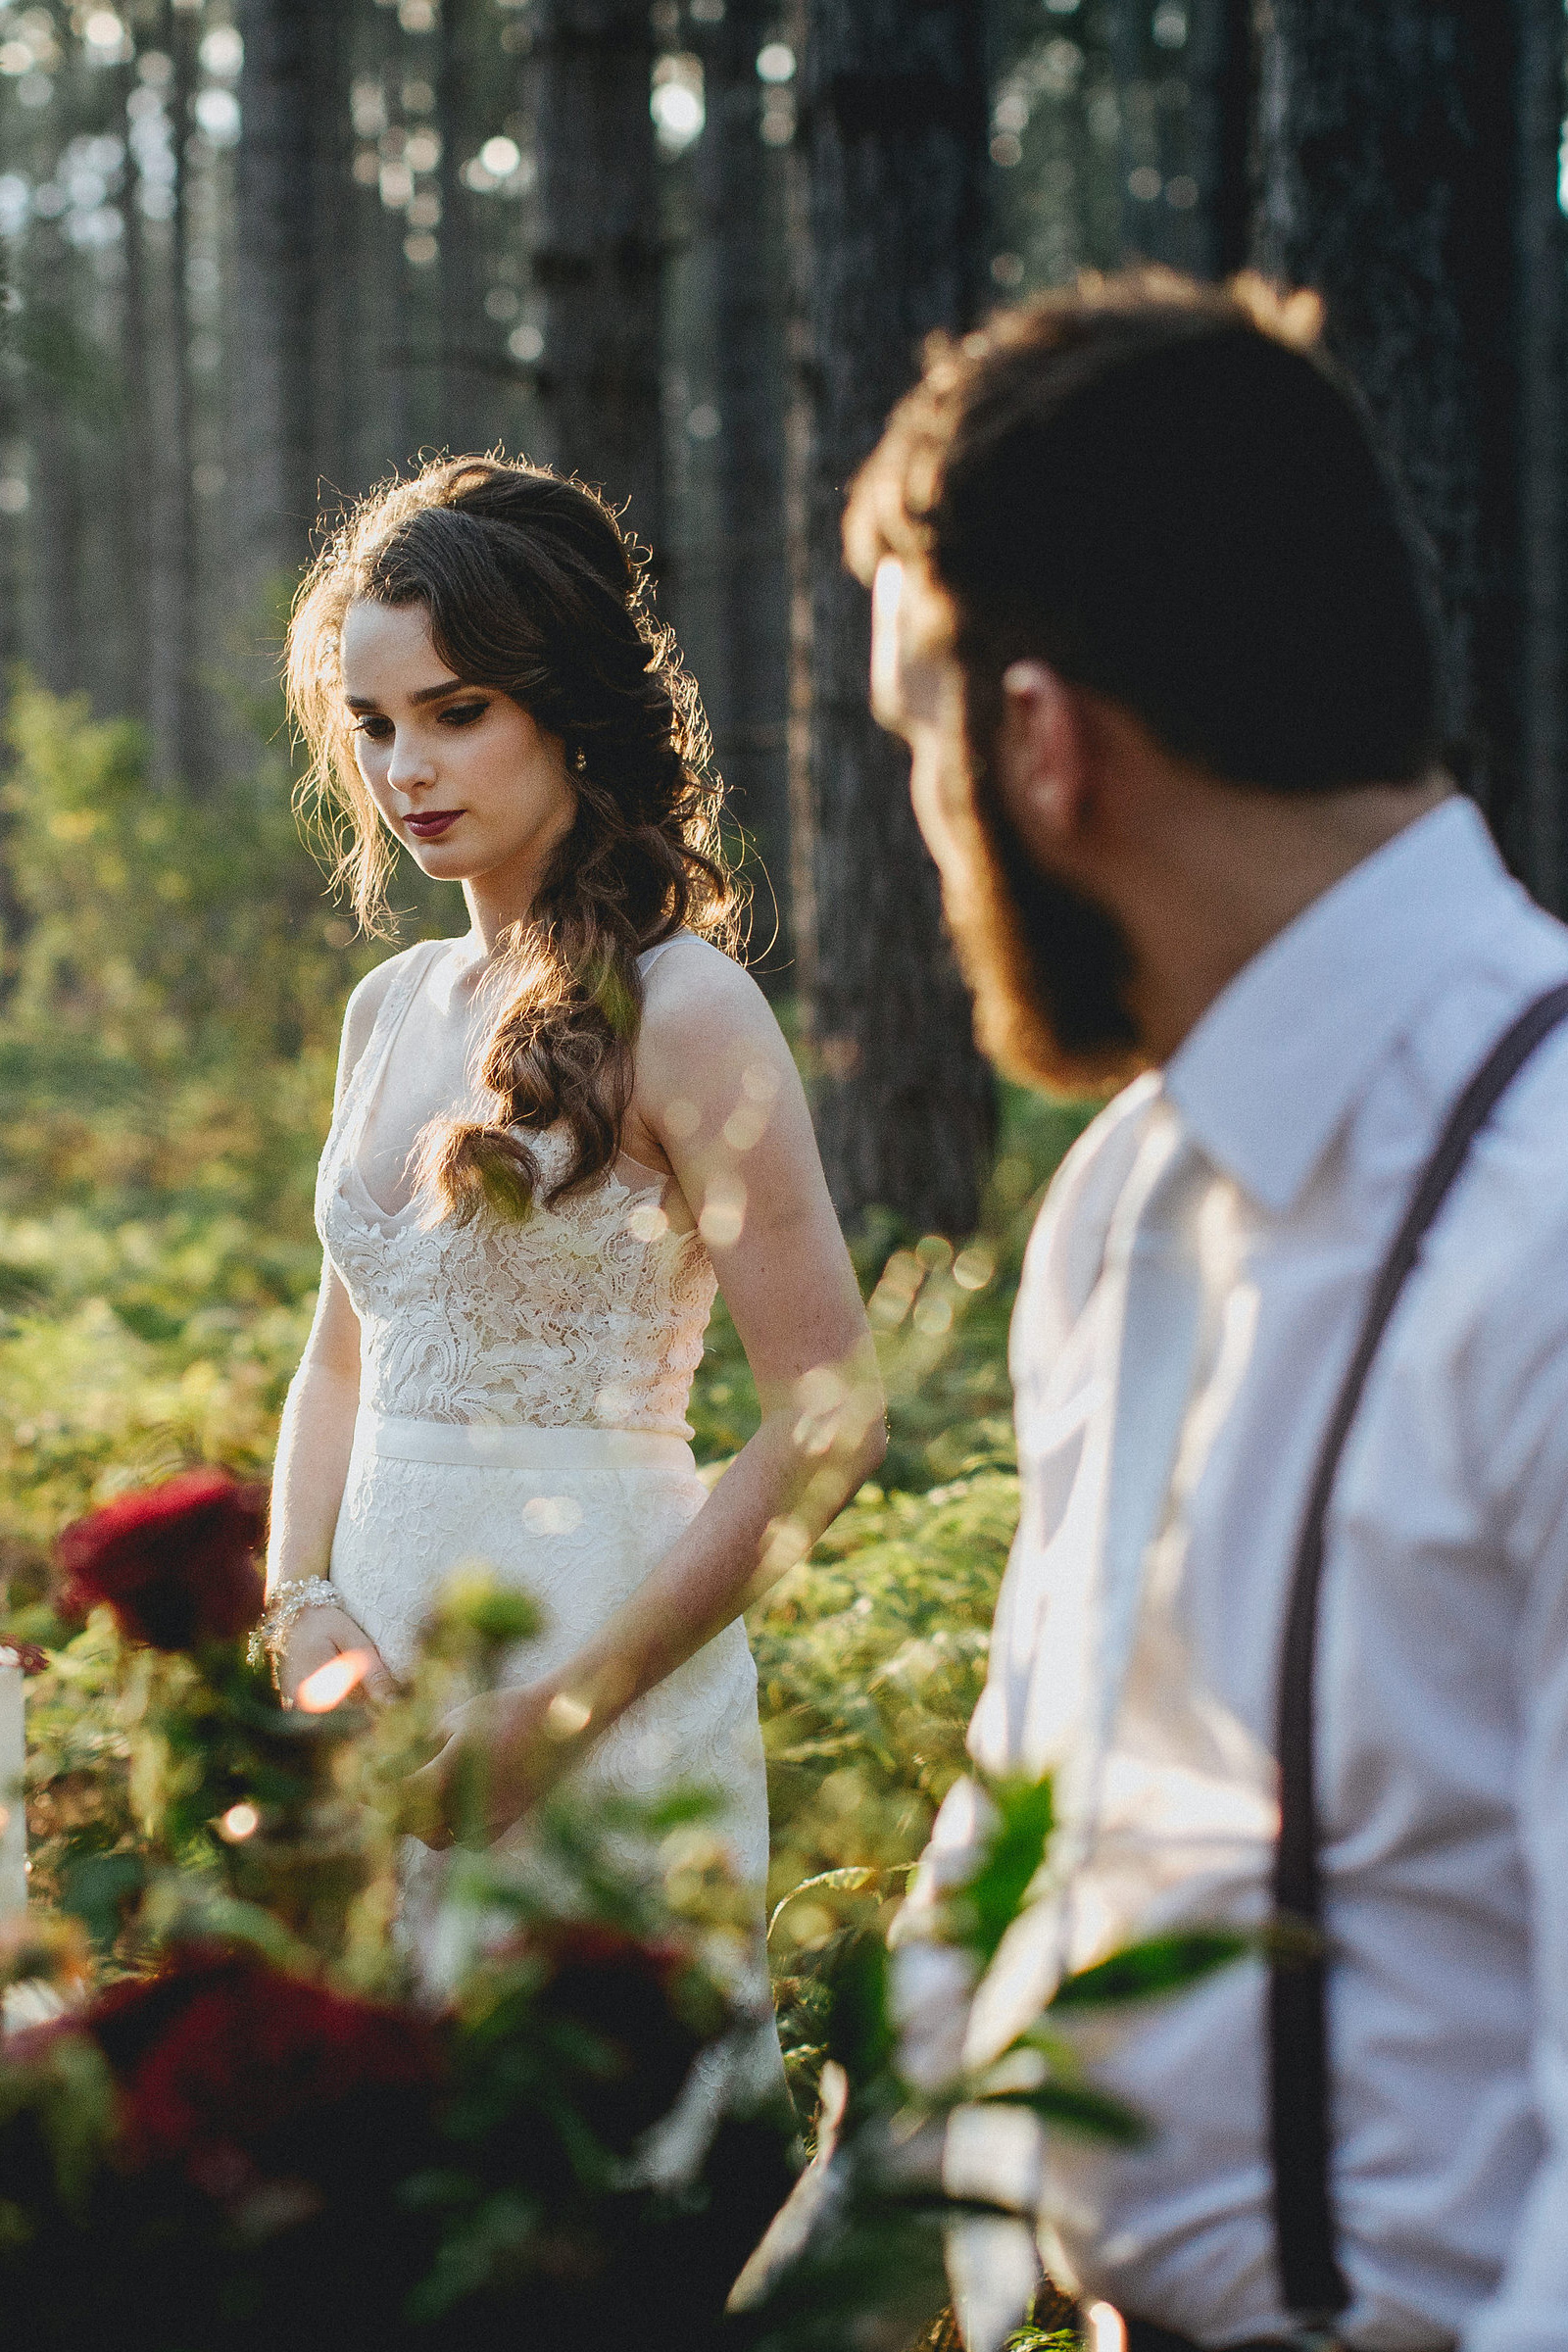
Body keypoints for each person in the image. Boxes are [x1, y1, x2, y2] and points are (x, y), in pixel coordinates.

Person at [853, 270, 1568, 2352]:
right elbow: (1024, 1823)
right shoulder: (1122, 1210)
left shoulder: (1542, 1229)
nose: (927, 829)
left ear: (1036, 746)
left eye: (916, 740)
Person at [262, 455, 883, 1892]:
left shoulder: (686, 1008)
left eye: (457, 713)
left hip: (599, 1672)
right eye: (373, 726)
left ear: (568, 711)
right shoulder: (390, 1007)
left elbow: (831, 1413)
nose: (407, 768)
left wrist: (565, 1713)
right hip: (386, 1684)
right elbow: (339, 1364)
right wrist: (296, 1601)